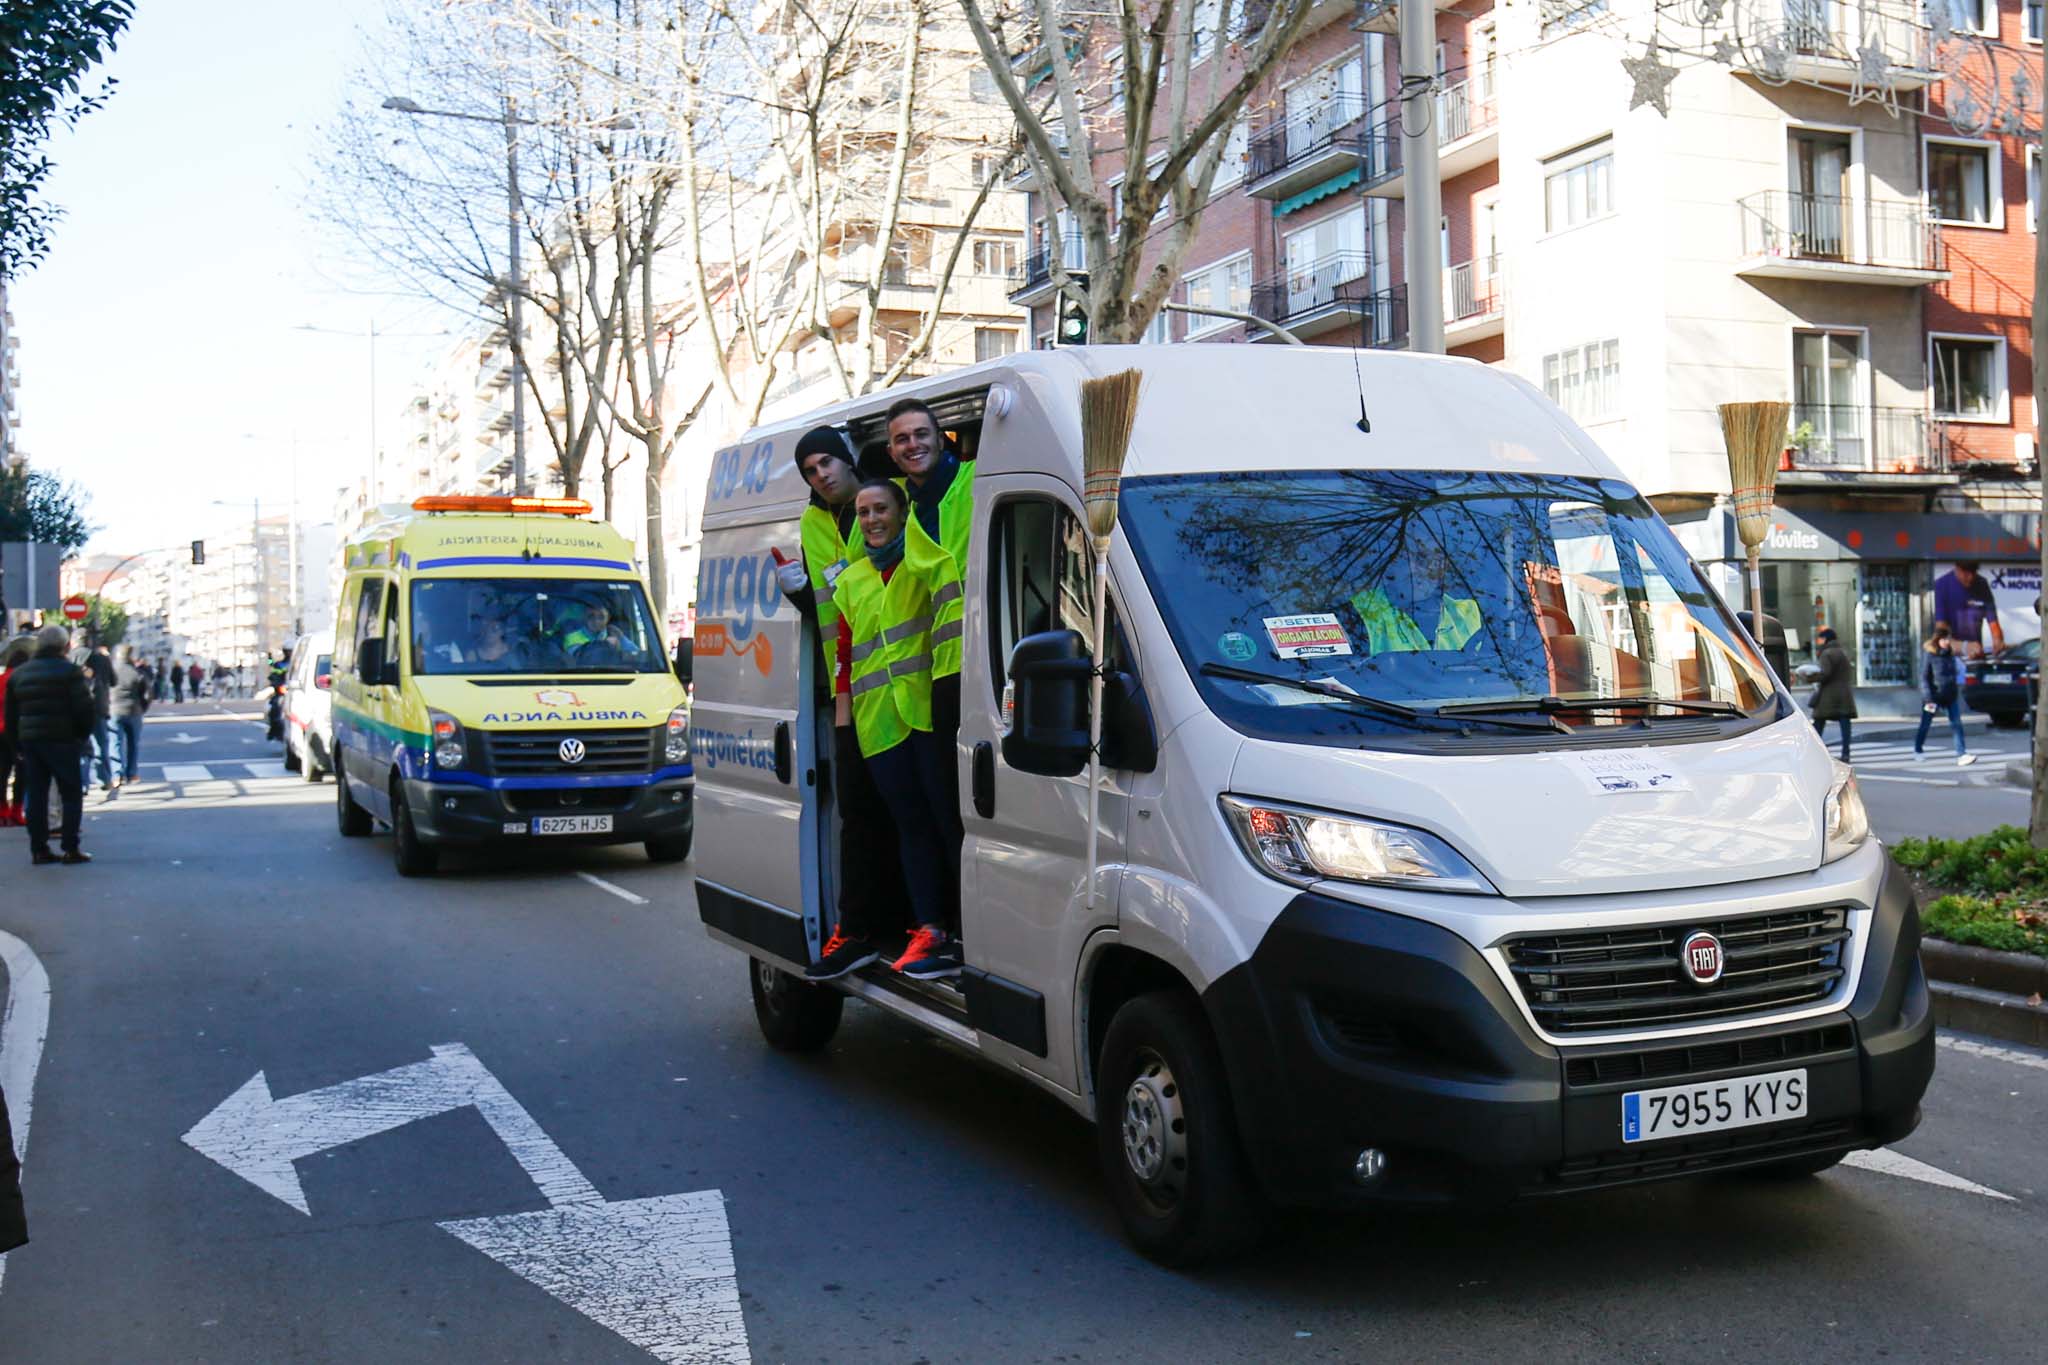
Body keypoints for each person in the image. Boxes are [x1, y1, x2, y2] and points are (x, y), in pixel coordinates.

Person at [775, 425, 908, 980]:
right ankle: (858, 931)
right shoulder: (812, 521)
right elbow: (832, 606)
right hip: (848, 693)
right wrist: (798, 592)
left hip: (903, 688)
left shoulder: (884, 501)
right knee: (858, 818)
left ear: (848, 458)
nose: (821, 474)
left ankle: (910, 927)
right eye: (810, 470)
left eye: (826, 461)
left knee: (908, 816)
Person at [831, 479, 962, 978]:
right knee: (910, 827)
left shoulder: (927, 563)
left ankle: (963, 928)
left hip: (929, 716)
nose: (871, 520)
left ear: (901, 511)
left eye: (881, 508)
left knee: (947, 822)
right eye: (863, 512)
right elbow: (845, 660)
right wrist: (845, 732)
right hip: (878, 725)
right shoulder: (851, 582)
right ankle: (929, 927)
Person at [885, 398, 971, 925]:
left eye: (921, 434)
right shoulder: (900, 507)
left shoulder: (977, 480)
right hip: (938, 678)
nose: (913, 444)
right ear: (891, 451)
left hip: (987, 671)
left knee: (975, 819)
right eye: (901, 439)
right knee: (946, 815)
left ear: (942, 438)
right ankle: (955, 930)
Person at [3, 624, 95, 864]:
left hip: (31, 742)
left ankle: (39, 848)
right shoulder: (71, 672)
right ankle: (70, 848)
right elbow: (85, 709)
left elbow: (11, 716)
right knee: (71, 794)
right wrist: (80, 737)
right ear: (64, 646)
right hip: (63, 740)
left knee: (37, 794)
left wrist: (17, 747)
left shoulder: (20, 675)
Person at [1914, 622, 1977, 766]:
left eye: (1949, 639)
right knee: (1925, 724)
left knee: (1956, 724)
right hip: (1933, 697)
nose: (1947, 642)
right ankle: (1918, 749)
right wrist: (1928, 697)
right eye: (1945, 639)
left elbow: (1953, 673)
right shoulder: (1929, 655)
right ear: (1938, 640)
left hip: (1949, 695)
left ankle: (1961, 754)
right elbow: (1924, 677)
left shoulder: (1949, 655)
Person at [1933, 561, 2003, 660]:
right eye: (1966, 573)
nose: (1970, 577)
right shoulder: (1942, 586)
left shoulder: (1982, 584)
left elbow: (1993, 622)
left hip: (1976, 657)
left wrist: (1997, 640)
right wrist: (1964, 646)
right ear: (1957, 569)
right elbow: (1941, 636)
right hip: (1950, 659)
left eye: (1973, 572)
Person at [1809, 625, 1856, 761]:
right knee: (1845, 724)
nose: (1819, 642)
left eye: (1821, 639)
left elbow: (1825, 673)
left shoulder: (1827, 653)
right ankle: (1846, 752)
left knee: (1819, 722)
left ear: (1826, 639)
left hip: (1829, 694)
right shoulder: (1842, 652)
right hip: (1844, 693)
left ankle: (1813, 752)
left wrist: (1812, 677)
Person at [0, 634, 32, 827]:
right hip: (19, 732)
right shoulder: (24, 680)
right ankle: (16, 811)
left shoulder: (2, 679)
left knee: (2, 773)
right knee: (22, 772)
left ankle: (2, 811)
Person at [78, 642, 115, 800]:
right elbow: (114, 680)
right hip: (99, 709)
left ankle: (83, 783)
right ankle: (104, 779)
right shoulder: (102, 659)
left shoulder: (70, 658)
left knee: (82, 749)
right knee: (101, 746)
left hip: (79, 710)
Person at [111, 646, 150, 791]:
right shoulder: (137, 672)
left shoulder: (112, 671)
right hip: (134, 710)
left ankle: (117, 774)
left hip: (114, 710)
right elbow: (147, 694)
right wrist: (143, 708)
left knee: (115, 742)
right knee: (133, 744)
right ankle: (132, 773)